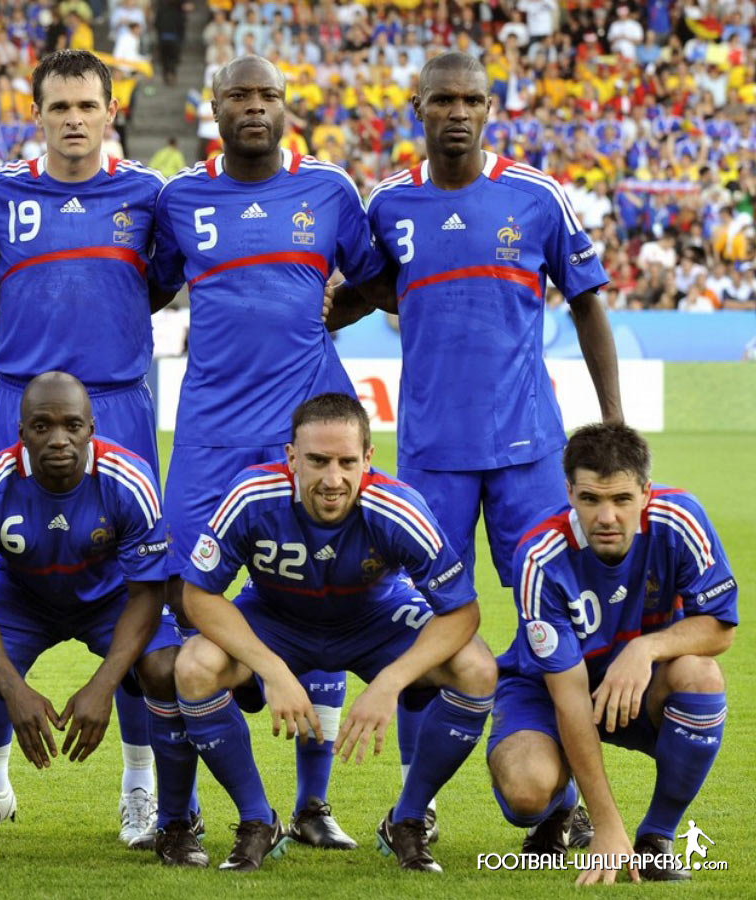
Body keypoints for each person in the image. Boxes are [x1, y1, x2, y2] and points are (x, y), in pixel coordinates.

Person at [333, 52, 623, 841]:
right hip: (432, 455)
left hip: (528, 450)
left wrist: (613, 424)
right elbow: (368, 288)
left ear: (490, 109)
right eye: (442, 100)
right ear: (416, 107)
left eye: (471, 100)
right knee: (423, 626)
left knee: (552, 616)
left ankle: (559, 803)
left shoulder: (535, 196)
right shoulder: (389, 203)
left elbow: (588, 304)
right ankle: (414, 809)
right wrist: (310, 312)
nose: (457, 113)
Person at [149, 54, 390, 852]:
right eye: (238, 96)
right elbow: (148, 286)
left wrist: (328, 318)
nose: (254, 107)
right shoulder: (179, 197)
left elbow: (376, 280)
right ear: (213, 108)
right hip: (212, 431)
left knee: (326, 593)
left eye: (268, 95)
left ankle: (312, 807)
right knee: (186, 602)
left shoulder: (328, 188)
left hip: (305, 429)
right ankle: (178, 814)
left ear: (286, 107)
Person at [0, 49, 170, 849]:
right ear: (38, 114)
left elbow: (160, 280)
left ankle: (140, 789)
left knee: (134, 584)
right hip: (20, 398)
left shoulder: (147, 194)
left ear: (111, 111)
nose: (74, 119)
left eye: (88, 105)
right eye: (60, 107)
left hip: (116, 400)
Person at [172, 393, 496, 873]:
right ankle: (257, 820)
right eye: (318, 461)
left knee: (476, 667)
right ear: (291, 458)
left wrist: (390, 683)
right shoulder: (252, 495)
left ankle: (408, 819)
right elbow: (198, 595)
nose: (332, 479)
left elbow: (462, 613)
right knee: (194, 666)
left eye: (347, 462)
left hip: (374, 622)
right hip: (276, 620)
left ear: (368, 458)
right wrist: (273, 671)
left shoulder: (398, 508)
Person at [0, 372, 184, 865]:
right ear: (21, 432)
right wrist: (13, 689)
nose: (59, 439)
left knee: (167, 668)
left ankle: (166, 816)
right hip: (19, 600)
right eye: (42, 426)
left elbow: (148, 596)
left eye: (72, 426)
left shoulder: (129, 479)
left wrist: (103, 685)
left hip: (110, 598)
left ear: (91, 429)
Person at [487, 423, 736, 885]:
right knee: (526, 793)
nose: (607, 517)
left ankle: (656, 838)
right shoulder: (540, 556)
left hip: (639, 686)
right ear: (569, 492)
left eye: (622, 499)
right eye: (590, 499)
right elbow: (569, 696)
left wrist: (646, 648)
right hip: (548, 690)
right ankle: (562, 805)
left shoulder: (680, 519)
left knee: (701, 675)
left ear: (645, 492)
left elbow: (719, 625)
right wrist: (606, 825)